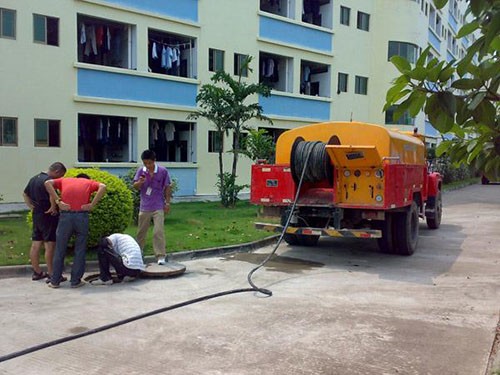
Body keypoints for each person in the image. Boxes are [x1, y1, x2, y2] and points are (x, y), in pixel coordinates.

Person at [45, 173, 107, 288]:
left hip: (65, 216)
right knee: (80, 249)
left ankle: (55, 281)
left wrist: (58, 201)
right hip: (81, 216)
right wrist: (92, 204)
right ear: (86, 179)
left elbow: (47, 183)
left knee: (60, 249)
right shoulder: (89, 183)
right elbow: (103, 186)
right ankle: (75, 281)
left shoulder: (65, 180)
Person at [22, 162, 67, 281]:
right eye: (60, 175)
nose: (60, 178)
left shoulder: (33, 179)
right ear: (56, 171)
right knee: (50, 244)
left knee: (36, 243)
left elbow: (25, 194)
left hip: (37, 213)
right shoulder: (48, 180)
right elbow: (52, 194)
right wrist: (53, 206)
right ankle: (52, 273)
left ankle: (37, 272)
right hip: (48, 215)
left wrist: (31, 207)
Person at [133, 150, 171, 265]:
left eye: (149, 163)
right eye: (145, 163)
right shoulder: (141, 171)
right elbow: (135, 186)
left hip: (158, 205)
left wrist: (167, 203)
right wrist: (140, 182)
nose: (148, 165)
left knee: (158, 231)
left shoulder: (162, 171)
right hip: (145, 206)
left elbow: (167, 187)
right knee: (141, 232)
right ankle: (138, 252)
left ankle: (160, 255)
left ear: (154, 161)